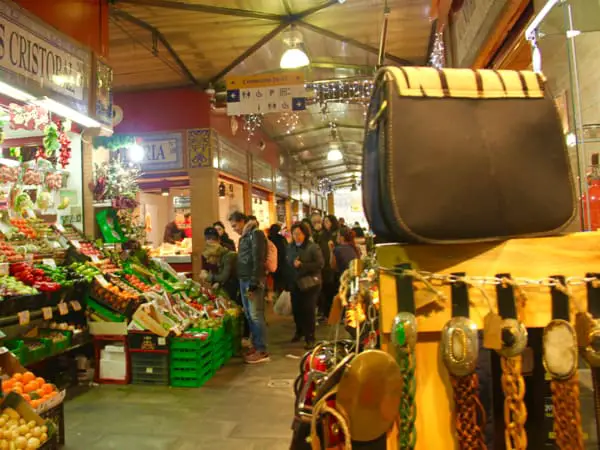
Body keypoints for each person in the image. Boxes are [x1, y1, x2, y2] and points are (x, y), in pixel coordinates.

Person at [229, 211, 269, 364]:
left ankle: (261, 350)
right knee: (249, 314)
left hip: (252, 280)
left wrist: (254, 281)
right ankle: (256, 345)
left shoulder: (255, 234)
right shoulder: (246, 236)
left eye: (235, 226)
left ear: (242, 221)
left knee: (255, 314)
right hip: (245, 279)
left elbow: (258, 258)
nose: (234, 229)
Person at [200, 227, 249, 341]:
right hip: (220, 286)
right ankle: (232, 336)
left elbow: (225, 275)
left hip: (234, 285)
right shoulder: (206, 253)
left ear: (218, 240)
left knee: (240, 309)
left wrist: (210, 277)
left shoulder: (228, 255)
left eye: (212, 239)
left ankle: (244, 335)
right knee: (227, 310)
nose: (210, 241)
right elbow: (205, 269)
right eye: (208, 239)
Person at [286, 222, 324, 349]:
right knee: (297, 310)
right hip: (295, 283)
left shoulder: (313, 247)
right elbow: (287, 261)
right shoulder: (290, 247)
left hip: (310, 284)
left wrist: (302, 265)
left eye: (299, 234)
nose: (297, 236)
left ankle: (310, 337)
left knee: (308, 310)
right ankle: (299, 331)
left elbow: (319, 264)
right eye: (294, 234)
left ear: (305, 234)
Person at [319, 215, 340, 320]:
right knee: (325, 289)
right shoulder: (321, 235)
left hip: (335, 266)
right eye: (325, 221)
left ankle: (333, 313)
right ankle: (326, 312)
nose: (326, 223)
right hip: (324, 266)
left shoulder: (337, 234)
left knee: (333, 289)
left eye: (328, 221)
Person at [268, 224, 288, 295]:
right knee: (281, 283)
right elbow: (285, 251)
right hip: (281, 264)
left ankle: (276, 296)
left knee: (276, 282)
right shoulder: (282, 239)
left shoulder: (268, 239)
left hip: (272, 264)